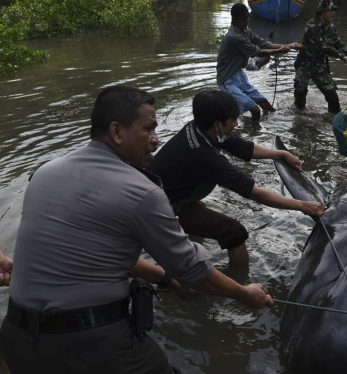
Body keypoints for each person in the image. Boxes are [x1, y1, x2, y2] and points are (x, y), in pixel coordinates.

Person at [0, 86, 274, 374]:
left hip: (17, 340)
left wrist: (166, 280)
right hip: (90, 344)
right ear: (117, 132)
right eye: (148, 129)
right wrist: (244, 293)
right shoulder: (142, 191)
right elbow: (194, 272)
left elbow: (102, 254)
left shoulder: (43, 173)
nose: (156, 140)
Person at [147, 90, 324, 265]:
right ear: (217, 124)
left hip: (159, 192)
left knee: (199, 213)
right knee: (234, 232)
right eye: (233, 120)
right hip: (160, 209)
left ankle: (185, 231)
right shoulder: (206, 156)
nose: (237, 124)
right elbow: (253, 193)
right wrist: (302, 205)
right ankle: (240, 282)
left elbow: (242, 147)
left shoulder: (200, 128)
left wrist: (281, 154)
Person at [217, 3, 302, 121]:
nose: (246, 20)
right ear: (235, 20)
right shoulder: (235, 37)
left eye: (247, 17)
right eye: (242, 19)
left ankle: (263, 124)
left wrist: (289, 45)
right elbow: (257, 52)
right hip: (227, 79)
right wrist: (279, 50)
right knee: (255, 110)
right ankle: (252, 133)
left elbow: (264, 43)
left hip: (238, 74)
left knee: (266, 105)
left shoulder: (246, 31)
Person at [294, 0, 347, 114]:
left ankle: (334, 117)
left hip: (319, 64)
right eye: (331, 10)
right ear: (323, 11)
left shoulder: (330, 27)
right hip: (305, 63)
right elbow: (322, 47)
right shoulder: (311, 26)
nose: (334, 13)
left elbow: (338, 44)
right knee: (301, 88)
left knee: (332, 95)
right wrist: (341, 57)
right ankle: (299, 113)